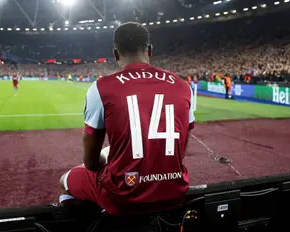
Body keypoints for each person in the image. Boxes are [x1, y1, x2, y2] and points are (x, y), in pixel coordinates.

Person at [59, 22, 195, 216]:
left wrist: (107, 158)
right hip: (174, 192)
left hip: (124, 198)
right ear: (150, 50)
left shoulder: (101, 88)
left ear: (115, 54)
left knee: (64, 180)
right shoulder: (183, 86)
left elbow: (90, 163)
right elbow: (181, 151)